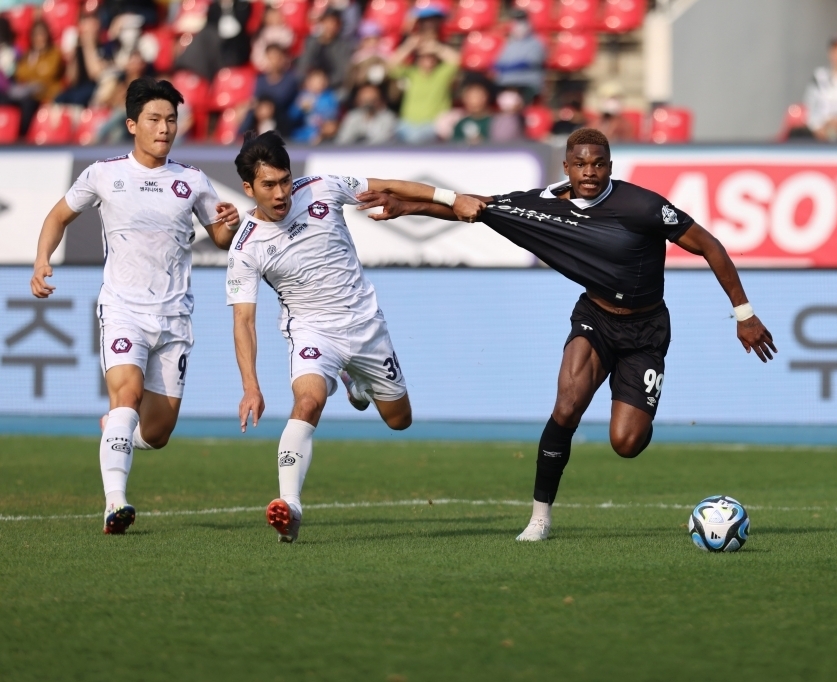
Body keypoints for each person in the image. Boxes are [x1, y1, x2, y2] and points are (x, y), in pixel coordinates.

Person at [355, 128, 776, 542]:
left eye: (597, 164)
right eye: (580, 164)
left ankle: (640, 405)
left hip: (646, 329)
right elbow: (473, 208)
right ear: (566, 167)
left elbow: (710, 245)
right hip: (595, 317)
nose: (589, 172)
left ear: (610, 166)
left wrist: (745, 314)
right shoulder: (541, 206)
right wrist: (408, 206)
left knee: (627, 443)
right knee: (567, 405)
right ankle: (540, 518)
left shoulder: (642, 206)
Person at [30, 78, 240, 535]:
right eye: (154, 119)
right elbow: (58, 215)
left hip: (174, 317)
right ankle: (115, 503)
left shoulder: (191, 181)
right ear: (132, 125)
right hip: (123, 309)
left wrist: (229, 223)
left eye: (171, 119)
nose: (165, 128)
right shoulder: (103, 173)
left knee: (158, 433)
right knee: (126, 396)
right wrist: (43, 258)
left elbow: (222, 240)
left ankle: (116, 430)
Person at [227, 132, 451, 542]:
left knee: (399, 421)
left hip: (366, 329)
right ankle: (289, 507)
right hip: (312, 333)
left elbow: (387, 187)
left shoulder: (322, 188)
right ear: (248, 188)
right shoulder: (245, 247)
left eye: (284, 180)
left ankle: (356, 383)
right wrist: (250, 386)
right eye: (268, 185)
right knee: (308, 401)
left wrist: (452, 199)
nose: (280, 193)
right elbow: (243, 320)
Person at [388, 34, 459, 143]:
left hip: (432, 125)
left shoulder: (441, 73)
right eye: (423, 56)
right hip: (407, 124)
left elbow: (457, 60)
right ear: (418, 59)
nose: (428, 60)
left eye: (431, 56)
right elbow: (391, 65)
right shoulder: (411, 73)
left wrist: (436, 47)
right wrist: (409, 46)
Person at [11, 21, 63, 136]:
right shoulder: (29, 54)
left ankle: (22, 137)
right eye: (36, 35)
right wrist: (36, 64)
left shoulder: (54, 52)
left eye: (42, 34)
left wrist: (33, 70)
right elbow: (20, 73)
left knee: (28, 103)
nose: (39, 38)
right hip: (28, 92)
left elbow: (49, 73)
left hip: (46, 93)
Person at [295, 9, 355, 94]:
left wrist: (324, 83)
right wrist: (309, 82)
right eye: (328, 22)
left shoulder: (344, 46)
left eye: (334, 23)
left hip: (332, 87)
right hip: (309, 85)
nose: (331, 26)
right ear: (322, 23)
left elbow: (343, 72)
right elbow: (303, 65)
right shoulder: (311, 41)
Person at [492, 9, 546, 102]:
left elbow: (531, 62)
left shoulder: (536, 42)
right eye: (516, 21)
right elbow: (498, 63)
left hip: (526, 84)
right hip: (505, 84)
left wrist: (510, 66)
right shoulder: (509, 44)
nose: (518, 25)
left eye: (521, 21)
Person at [288, 67, 339, 143]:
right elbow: (292, 116)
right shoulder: (303, 96)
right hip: (303, 133)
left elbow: (332, 115)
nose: (320, 82)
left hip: (322, 133)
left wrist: (315, 106)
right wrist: (299, 107)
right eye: (316, 80)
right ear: (308, 82)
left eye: (322, 80)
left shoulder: (330, 96)